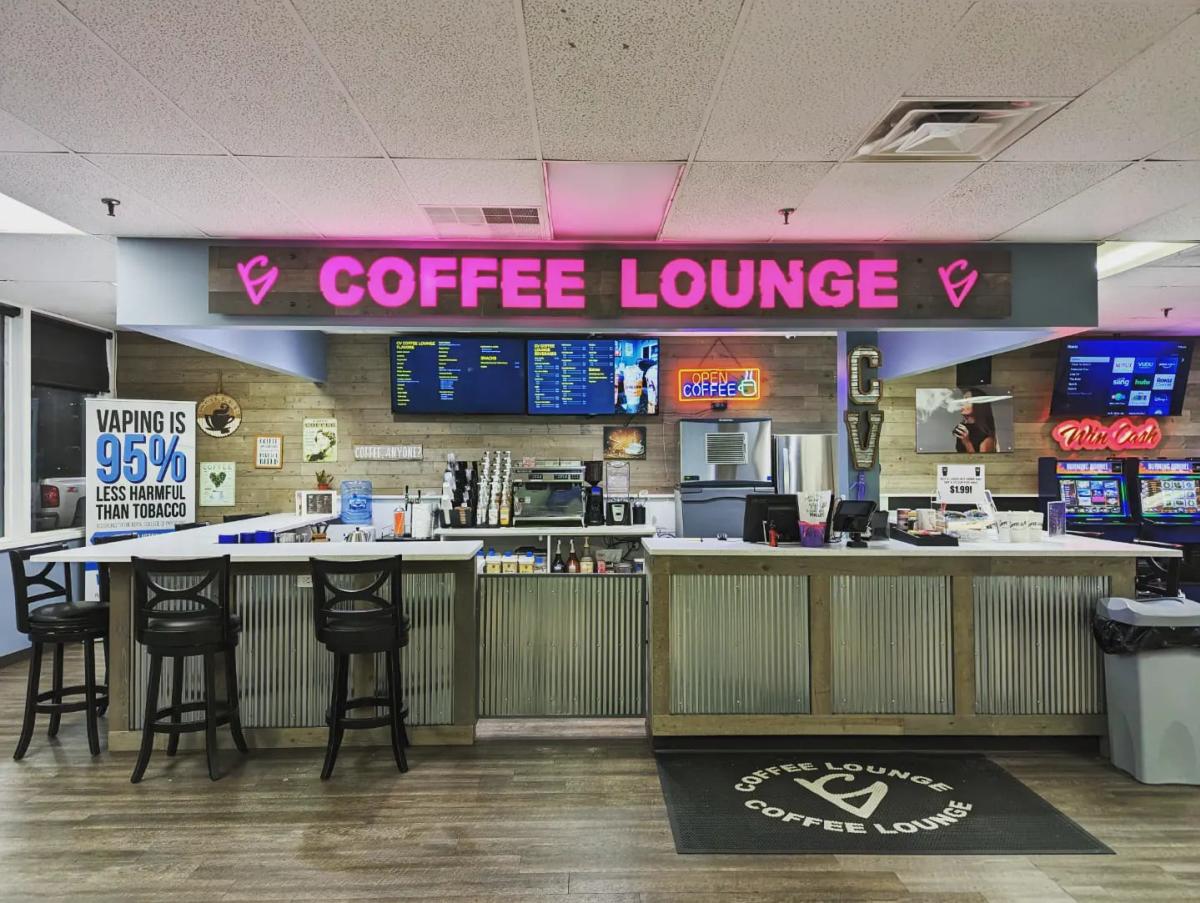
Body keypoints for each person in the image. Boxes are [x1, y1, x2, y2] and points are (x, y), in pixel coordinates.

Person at [953, 387, 997, 453]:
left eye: (967, 400)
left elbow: (981, 461)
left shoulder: (986, 437)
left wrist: (967, 442)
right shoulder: (963, 428)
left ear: (978, 405)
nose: (962, 403)